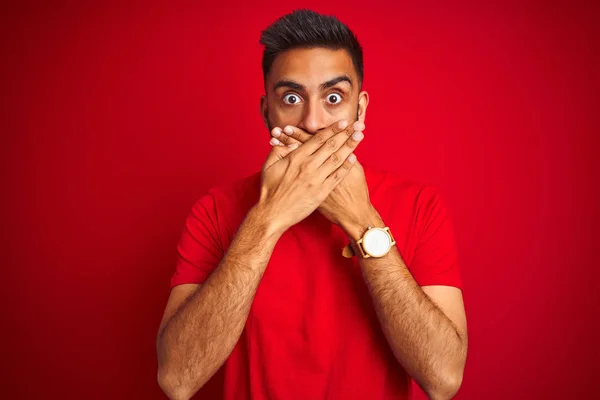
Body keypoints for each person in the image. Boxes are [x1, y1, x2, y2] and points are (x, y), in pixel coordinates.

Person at [156, 9, 467, 400]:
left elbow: (443, 379)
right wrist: (267, 218)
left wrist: (362, 221)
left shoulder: (422, 206)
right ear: (266, 111)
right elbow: (176, 380)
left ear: (361, 108)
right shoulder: (214, 210)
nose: (314, 122)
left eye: (334, 97)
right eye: (291, 98)